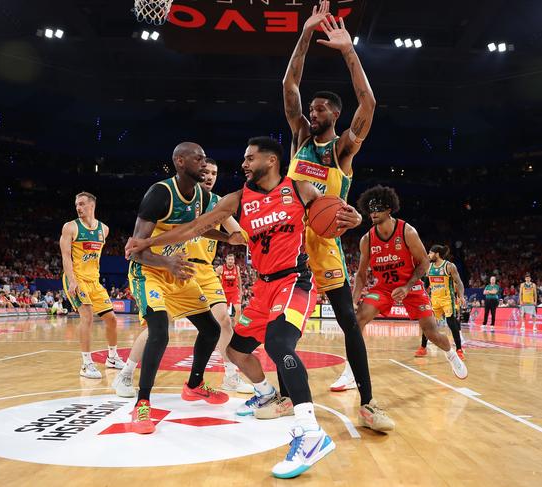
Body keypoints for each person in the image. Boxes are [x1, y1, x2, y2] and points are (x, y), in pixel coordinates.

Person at [126, 137, 364, 478]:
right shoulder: (236, 199)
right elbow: (195, 227)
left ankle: (310, 432)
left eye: (250, 158)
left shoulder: (300, 189)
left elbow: (341, 214)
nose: (244, 164)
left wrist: (352, 218)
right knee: (235, 351)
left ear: (271, 160)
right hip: (264, 286)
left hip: (295, 280)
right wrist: (150, 242)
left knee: (278, 344)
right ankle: (266, 395)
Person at [283, 2, 379, 408]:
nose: (312, 110)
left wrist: (348, 52)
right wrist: (305, 33)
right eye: (312, 107)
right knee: (283, 329)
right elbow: (289, 86)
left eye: (320, 108)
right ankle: (286, 397)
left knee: (349, 324)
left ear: (335, 114)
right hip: (289, 243)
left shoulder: (342, 150)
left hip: (326, 246)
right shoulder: (300, 136)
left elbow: (368, 104)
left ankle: (369, 401)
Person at [112, 158, 253, 398]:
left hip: (199, 271)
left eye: (214, 173)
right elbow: (185, 230)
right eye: (205, 171)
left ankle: (227, 375)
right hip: (167, 266)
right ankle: (127, 375)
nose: (209, 176)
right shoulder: (168, 196)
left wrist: (240, 234)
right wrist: (151, 246)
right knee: (156, 328)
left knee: (221, 323)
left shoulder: (215, 202)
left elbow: (235, 232)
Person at [125, 142, 235, 435]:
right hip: (149, 271)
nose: (204, 164)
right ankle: (142, 403)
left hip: (177, 270)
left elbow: (197, 227)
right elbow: (135, 250)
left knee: (212, 329)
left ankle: (195, 384)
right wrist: (167, 263)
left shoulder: (201, 195)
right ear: (180, 161)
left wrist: (228, 238)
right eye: (198, 159)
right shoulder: (160, 194)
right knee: (160, 331)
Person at [350, 185, 468, 382]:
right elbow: (361, 275)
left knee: (431, 333)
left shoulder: (407, 231)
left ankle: (451, 354)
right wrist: (353, 300)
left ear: (389, 209)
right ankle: (351, 372)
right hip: (384, 288)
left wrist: (407, 286)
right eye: (370, 209)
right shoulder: (367, 240)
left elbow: (424, 263)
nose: (373, 213)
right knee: (357, 320)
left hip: (410, 286)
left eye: (378, 208)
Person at [60, 191, 126, 380]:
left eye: (82, 204)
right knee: (87, 316)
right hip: (76, 278)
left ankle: (112, 358)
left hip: (94, 281)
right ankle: (86, 364)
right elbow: (65, 256)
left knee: (112, 319)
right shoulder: (70, 227)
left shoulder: (104, 229)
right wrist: (72, 280)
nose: (78, 208)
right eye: (76, 205)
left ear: (92, 205)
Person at [415, 244, 466, 360]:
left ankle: (459, 349)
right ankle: (423, 348)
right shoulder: (429, 267)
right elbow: (425, 284)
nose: (429, 255)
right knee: (428, 324)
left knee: (452, 323)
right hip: (434, 300)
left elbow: (459, 282)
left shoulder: (449, 266)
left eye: (430, 253)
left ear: (437, 254)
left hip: (447, 300)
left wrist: (461, 296)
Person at [215, 253, 243, 325]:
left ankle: (236, 327)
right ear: (226, 260)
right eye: (229, 259)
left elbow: (239, 279)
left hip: (234, 292)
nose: (230, 261)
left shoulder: (237, 268)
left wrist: (240, 291)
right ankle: (220, 326)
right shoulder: (221, 268)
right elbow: (214, 277)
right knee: (223, 313)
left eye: (232, 259)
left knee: (239, 310)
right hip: (224, 293)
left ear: (234, 261)